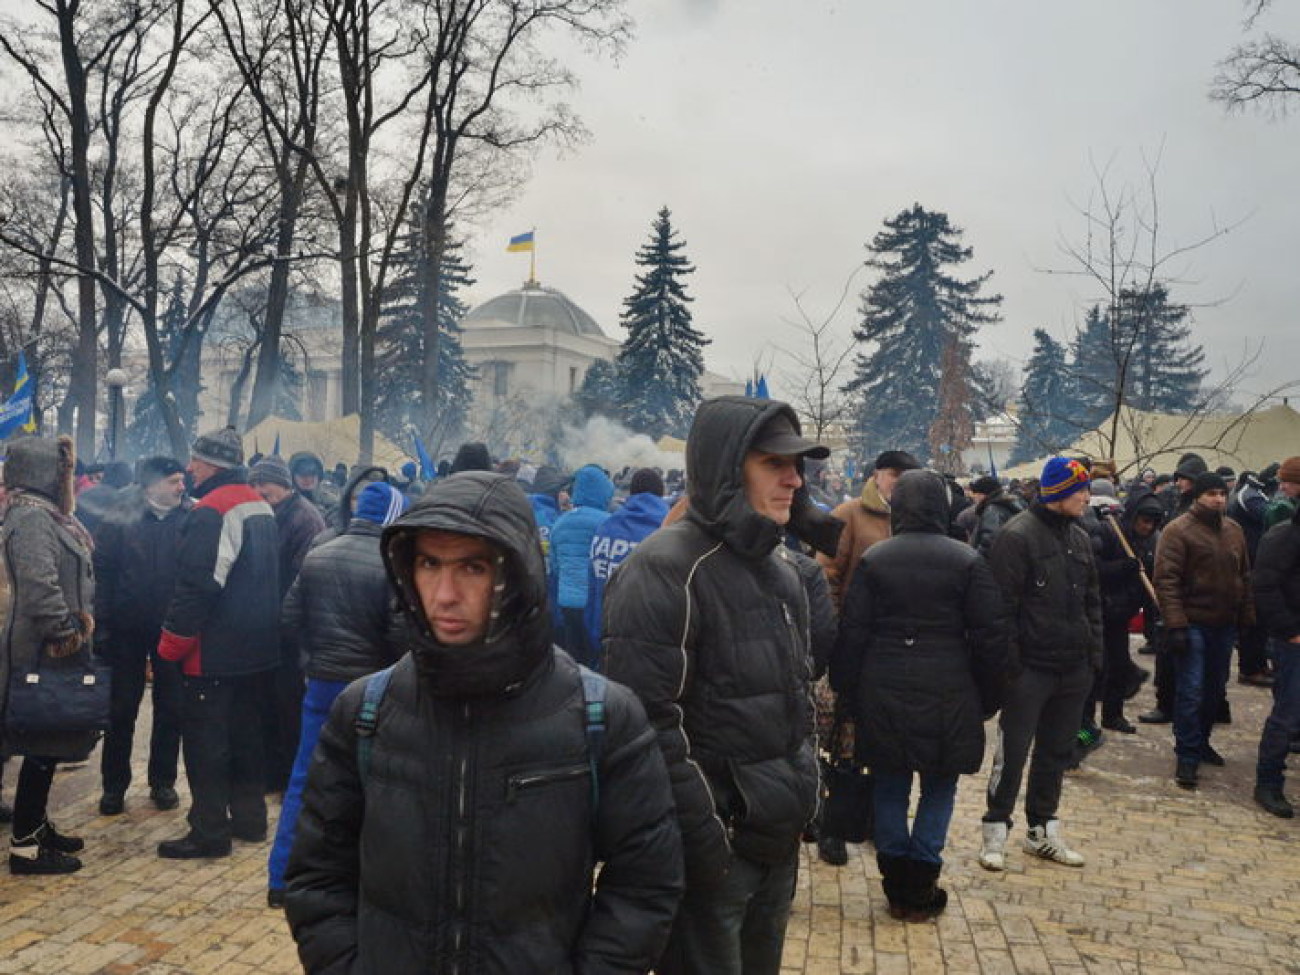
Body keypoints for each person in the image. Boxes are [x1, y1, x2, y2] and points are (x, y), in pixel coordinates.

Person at [283, 472, 682, 972]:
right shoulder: (366, 712)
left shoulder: (599, 717)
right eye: (429, 564)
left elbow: (645, 882)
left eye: (472, 567)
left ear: (517, 574)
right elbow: (317, 874)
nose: (444, 594)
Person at [604, 397, 826, 975]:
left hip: (774, 843)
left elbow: (796, 699)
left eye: (796, 465)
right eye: (773, 463)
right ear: (728, 468)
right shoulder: (665, 569)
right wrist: (709, 845)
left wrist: (806, 790)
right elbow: (646, 727)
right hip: (717, 856)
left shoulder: (782, 572)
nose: (793, 479)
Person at [832, 469, 1007, 921]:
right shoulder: (966, 560)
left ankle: (895, 879)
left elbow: (854, 632)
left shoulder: (876, 559)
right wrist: (989, 696)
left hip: (882, 685)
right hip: (950, 688)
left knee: (890, 781)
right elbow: (990, 636)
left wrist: (845, 690)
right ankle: (922, 878)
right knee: (939, 784)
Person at [266, 482, 408, 908]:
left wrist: (314, 657)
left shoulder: (319, 551)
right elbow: (400, 633)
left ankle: (282, 879)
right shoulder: (392, 562)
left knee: (303, 778)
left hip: (322, 682)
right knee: (373, 781)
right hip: (371, 688)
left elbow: (289, 619)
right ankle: (360, 879)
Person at [156, 426, 281, 859]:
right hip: (257, 649)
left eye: (196, 460)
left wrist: (170, 645)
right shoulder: (260, 506)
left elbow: (198, 587)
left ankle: (209, 831)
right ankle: (249, 820)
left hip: (214, 652)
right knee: (247, 737)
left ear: (213, 465)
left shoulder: (211, 510)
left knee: (206, 743)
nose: (189, 468)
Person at [978, 457, 1101, 872]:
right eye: (1080, 489)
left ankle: (1042, 830)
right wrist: (1010, 668)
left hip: (1072, 668)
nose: (1087, 496)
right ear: (1059, 492)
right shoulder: (1017, 537)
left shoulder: (1081, 538)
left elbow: (1092, 603)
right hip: (1029, 669)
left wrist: (1092, 658)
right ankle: (995, 829)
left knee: (1056, 753)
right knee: (1011, 754)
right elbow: (1000, 611)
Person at [1, 436, 96, 875]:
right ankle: (25, 847)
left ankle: (36, 827)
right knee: (43, 745)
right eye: (62, 472)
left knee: (51, 745)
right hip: (42, 650)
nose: (68, 480)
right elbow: (40, 588)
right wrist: (67, 631)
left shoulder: (44, 515)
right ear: (42, 473)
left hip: (48, 649)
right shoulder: (32, 519)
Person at [92, 456, 189, 816]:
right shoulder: (122, 515)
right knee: (121, 709)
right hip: (125, 628)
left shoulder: (188, 517)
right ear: (151, 486)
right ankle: (114, 786)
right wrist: (101, 625)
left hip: (171, 629)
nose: (182, 487)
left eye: (182, 481)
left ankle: (162, 782)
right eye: (174, 481)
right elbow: (102, 571)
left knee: (171, 708)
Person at [1154, 472, 1255, 789]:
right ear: (1197, 495)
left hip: (1223, 623)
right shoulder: (1178, 531)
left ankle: (1202, 741)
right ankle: (1186, 753)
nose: (1219, 499)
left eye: (1222, 493)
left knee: (1215, 689)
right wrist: (1176, 624)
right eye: (1211, 493)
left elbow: (1245, 577)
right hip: (1192, 622)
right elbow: (1166, 581)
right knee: (1192, 690)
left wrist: (1247, 617)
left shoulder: (1233, 530)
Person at [249, 455, 328, 793]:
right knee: (267, 702)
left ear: (284, 485)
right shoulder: (271, 513)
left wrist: (286, 621)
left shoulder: (304, 519)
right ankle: (272, 770)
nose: (257, 494)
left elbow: (301, 580)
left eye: (263, 489)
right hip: (266, 624)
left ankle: (288, 774)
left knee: (288, 704)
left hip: (289, 629)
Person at [1091, 488, 1162, 734]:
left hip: (1122, 613)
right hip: (1099, 612)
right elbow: (1092, 569)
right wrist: (1122, 567)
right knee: (1095, 670)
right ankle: (1085, 728)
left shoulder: (1149, 541)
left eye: (1153, 523)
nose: (1148, 527)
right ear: (1133, 517)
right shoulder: (1107, 532)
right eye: (1144, 521)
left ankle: (1113, 715)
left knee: (1119, 667)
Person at [582, 467, 670, 661]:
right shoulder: (668, 529)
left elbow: (593, 583)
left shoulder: (606, 527)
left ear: (631, 492)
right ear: (661, 493)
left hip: (604, 633)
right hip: (649, 642)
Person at [819, 449, 921, 607]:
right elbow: (827, 574)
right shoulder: (846, 514)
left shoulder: (919, 517)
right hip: (857, 621)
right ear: (876, 476)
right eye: (894, 475)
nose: (900, 482)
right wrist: (835, 622)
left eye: (907, 478)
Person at [1252, 495, 1300, 818]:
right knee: (1288, 713)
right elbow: (1265, 586)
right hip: (1293, 641)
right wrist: (1289, 630)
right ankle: (1268, 782)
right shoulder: (1284, 536)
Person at [549, 463, 614, 669]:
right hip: (594, 604)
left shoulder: (560, 522)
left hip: (566, 602)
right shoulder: (607, 523)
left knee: (572, 657)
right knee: (594, 660)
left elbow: (555, 565)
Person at [967, 474, 1025, 557]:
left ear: (983, 494)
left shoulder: (992, 511)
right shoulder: (1010, 503)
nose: (973, 498)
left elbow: (990, 542)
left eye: (976, 494)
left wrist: (976, 559)